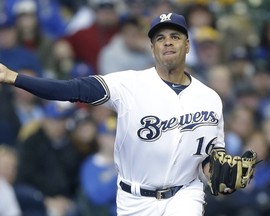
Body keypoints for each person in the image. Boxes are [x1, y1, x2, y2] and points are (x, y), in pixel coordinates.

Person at [0, 13, 238, 215]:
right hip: (135, 199)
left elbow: (211, 154)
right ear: (152, 48)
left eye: (175, 37)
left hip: (185, 194)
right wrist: (15, 78)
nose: (167, 42)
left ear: (187, 45)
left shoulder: (209, 98)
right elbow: (72, 90)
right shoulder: (128, 85)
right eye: (160, 38)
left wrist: (218, 176)